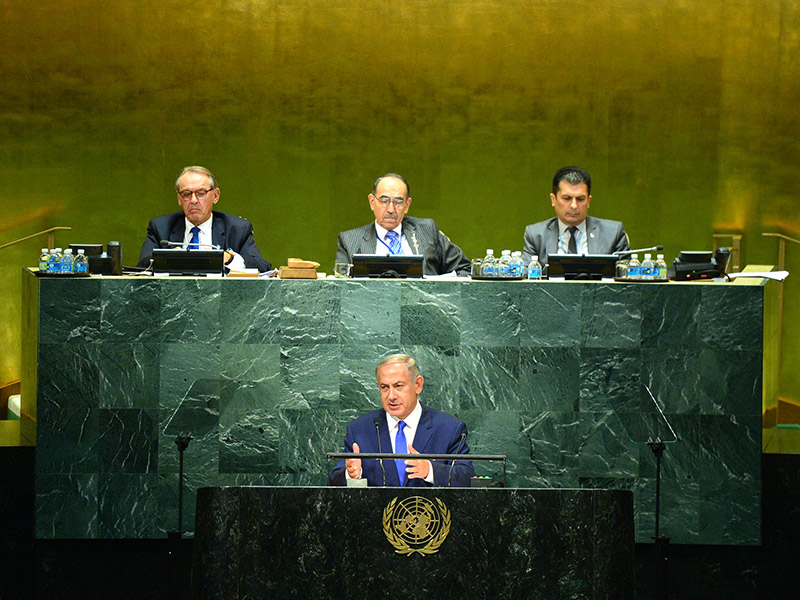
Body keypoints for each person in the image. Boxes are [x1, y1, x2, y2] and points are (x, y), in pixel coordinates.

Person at [329, 354, 474, 487]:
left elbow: (467, 478)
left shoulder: (449, 428)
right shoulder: (360, 430)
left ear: (418, 385)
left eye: (398, 386)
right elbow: (333, 483)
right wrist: (350, 474)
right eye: (385, 387)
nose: (391, 396)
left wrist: (430, 470)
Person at [137, 166, 271, 272]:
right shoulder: (160, 227)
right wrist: (167, 259)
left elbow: (261, 266)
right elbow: (143, 265)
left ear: (215, 196)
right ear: (179, 198)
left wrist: (228, 259)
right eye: (186, 194)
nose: (193, 200)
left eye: (201, 193)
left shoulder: (237, 229)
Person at [336, 173, 471, 276]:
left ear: (407, 205)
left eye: (398, 202)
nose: (390, 209)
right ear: (372, 202)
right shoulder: (349, 240)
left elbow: (464, 268)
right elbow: (340, 285)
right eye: (384, 200)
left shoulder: (427, 230)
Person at [522, 166, 629, 267]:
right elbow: (527, 280)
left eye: (580, 199)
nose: (574, 205)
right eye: (567, 198)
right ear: (553, 199)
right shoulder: (535, 235)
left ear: (588, 201)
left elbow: (627, 279)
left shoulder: (613, 233)